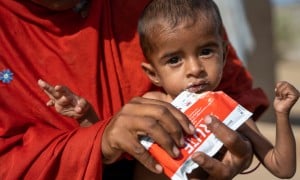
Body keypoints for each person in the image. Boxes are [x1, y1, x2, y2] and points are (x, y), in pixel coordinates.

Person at [0, 0, 268, 179]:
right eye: (174, 59)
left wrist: (230, 151)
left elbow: (234, 95)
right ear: (150, 71)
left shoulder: (170, 8)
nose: (194, 68)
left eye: (206, 53)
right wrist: (98, 142)